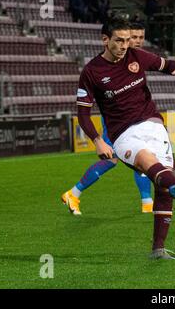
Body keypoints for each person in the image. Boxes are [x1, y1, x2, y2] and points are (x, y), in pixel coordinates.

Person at [67, 15, 175, 260]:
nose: (125, 45)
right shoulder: (92, 72)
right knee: (147, 161)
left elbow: (168, 64)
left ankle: (158, 249)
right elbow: (82, 114)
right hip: (123, 134)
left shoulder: (137, 56)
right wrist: (97, 140)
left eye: (127, 40)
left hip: (154, 126)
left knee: (163, 191)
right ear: (105, 40)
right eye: (119, 40)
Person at [62, 23, 153, 215]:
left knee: (136, 156)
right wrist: (97, 140)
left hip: (135, 120)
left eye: (139, 38)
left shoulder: (133, 58)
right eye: (132, 38)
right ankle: (73, 193)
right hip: (117, 122)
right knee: (118, 158)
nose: (135, 42)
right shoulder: (98, 68)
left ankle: (147, 202)